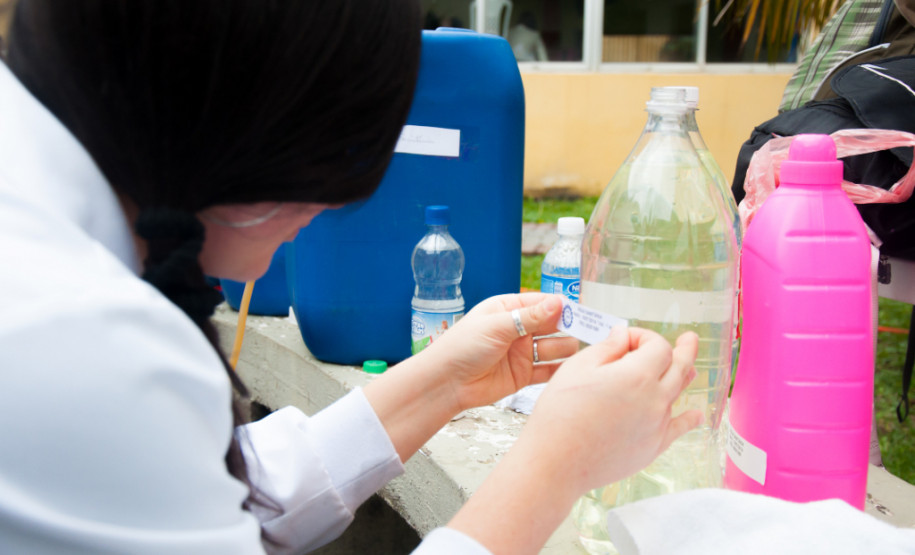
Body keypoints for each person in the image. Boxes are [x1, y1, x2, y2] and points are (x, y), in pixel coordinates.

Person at [0, 1, 701, 554]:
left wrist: (447, 380)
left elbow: (194, 490)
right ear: (234, 118)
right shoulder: (71, 332)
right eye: (332, 167)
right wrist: (556, 462)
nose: (333, 207)